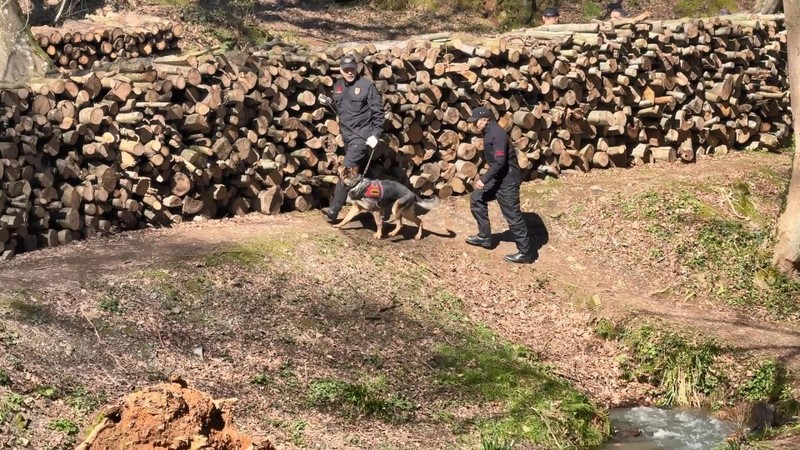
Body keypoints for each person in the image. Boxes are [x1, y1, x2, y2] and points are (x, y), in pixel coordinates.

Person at [319, 53, 385, 223]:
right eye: (346, 69)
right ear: (341, 70)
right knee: (364, 174)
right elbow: (339, 107)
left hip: (361, 137)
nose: (349, 72)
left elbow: (378, 113)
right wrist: (328, 102)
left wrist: (375, 135)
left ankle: (334, 209)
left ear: (357, 68)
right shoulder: (339, 86)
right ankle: (381, 203)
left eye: (352, 69)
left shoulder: (367, 86)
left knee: (347, 172)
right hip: (347, 137)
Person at [465, 107, 533, 264]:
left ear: (484, 120)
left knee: (512, 215)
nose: (474, 125)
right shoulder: (489, 132)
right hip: (499, 177)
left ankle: (525, 253)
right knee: (477, 197)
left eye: (475, 122)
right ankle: (484, 237)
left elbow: (500, 162)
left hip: (507, 180)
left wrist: (483, 179)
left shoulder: (496, 135)